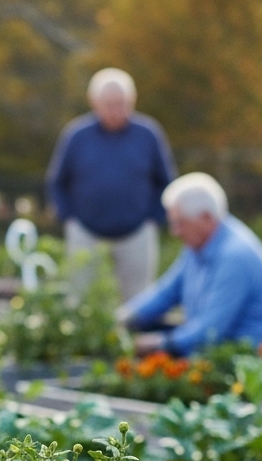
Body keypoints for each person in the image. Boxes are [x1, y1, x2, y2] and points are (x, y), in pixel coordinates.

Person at [118, 173, 262, 356]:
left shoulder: (234, 256)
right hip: (223, 351)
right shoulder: (196, 248)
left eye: (180, 223)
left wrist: (162, 343)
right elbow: (165, 293)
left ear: (207, 218)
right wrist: (124, 318)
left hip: (257, 360)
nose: (174, 232)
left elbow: (211, 329)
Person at [47, 68, 177, 302]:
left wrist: (153, 218)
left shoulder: (148, 134)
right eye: (110, 104)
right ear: (94, 102)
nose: (117, 110)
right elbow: (57, 182)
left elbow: (165, 182)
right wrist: (69, 218)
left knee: (139, 301)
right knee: (80, 299)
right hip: (85, 232)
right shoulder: (77, 135)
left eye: (122, 103)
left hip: (136, 232)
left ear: (132, 101)